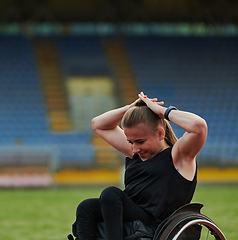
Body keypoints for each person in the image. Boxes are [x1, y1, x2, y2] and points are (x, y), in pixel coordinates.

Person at [74, 92, 208, 240]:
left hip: (158, 225)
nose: (134, 149)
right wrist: (132, 108)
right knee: (86, 208)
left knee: (111, 194)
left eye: (140, 141)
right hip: (134, 215)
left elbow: (198, 126)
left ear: (160, 133)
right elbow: (98, 124)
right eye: (131, 142)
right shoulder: (136, 153)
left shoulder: (179, 156)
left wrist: (162, 111)